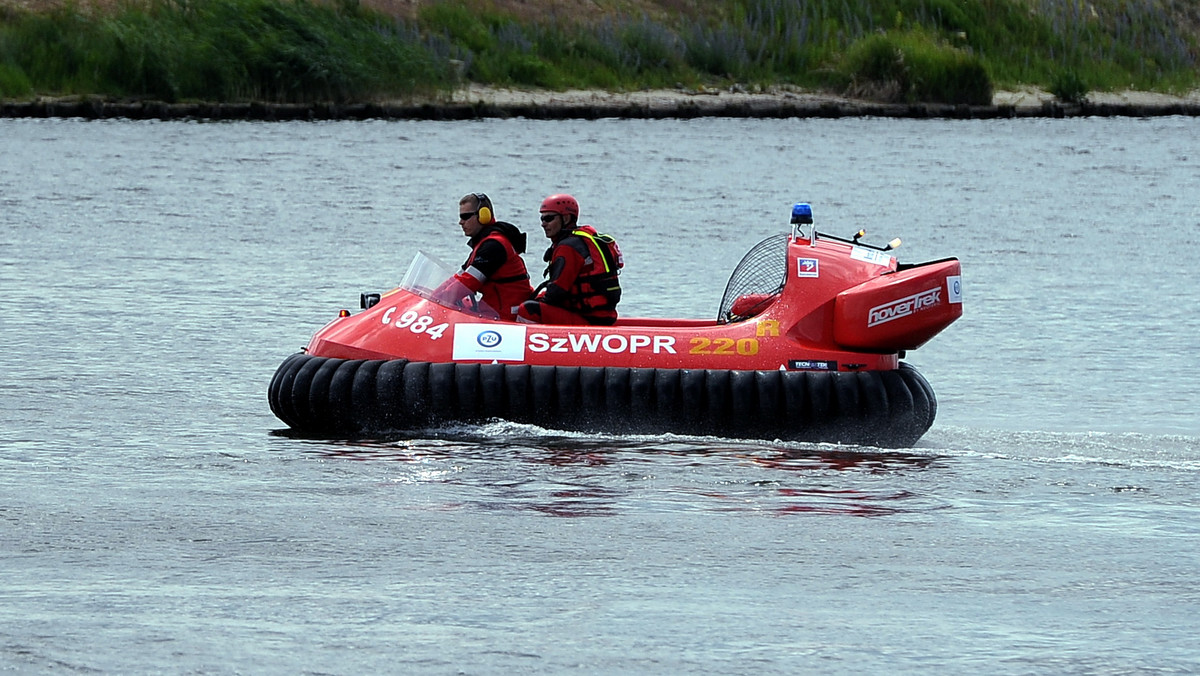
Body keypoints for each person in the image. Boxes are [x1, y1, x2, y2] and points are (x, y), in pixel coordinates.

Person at [517, 193, 623, 326]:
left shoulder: (568, 247)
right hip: (601, 315)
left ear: (566, 218)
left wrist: (530, 302)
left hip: (588, 319)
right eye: (542, 219)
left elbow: (556, 292)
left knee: (528, 309)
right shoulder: (578, 241)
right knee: (535, 300)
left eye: (549, 218)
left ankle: (529, 343)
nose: (543, 224)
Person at [437, 192, 533, 321]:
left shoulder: (494, 245)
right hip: (494, 310)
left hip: (506, 316)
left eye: (465, 217)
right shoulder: (484, 243)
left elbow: (467, 284)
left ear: (483, 216)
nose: (460, 222)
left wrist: (439, 301)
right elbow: (458, 278)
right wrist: (433, 296)